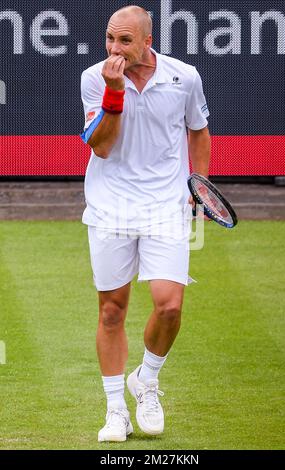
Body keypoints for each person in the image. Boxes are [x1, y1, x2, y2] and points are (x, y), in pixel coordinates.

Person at [80, 5, 211, 442]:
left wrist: (200, 185)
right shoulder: (94, 78)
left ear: (147, 42)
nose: (114, 48)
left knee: (169, 305)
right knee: (112, 310)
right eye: (110, 39)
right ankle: (116, 409)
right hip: (109, 207)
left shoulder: (185, 77)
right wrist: (113, 92)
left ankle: (147, 380)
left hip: (165, 206)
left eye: (124, 41)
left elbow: (198, 129)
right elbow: (100, 147)